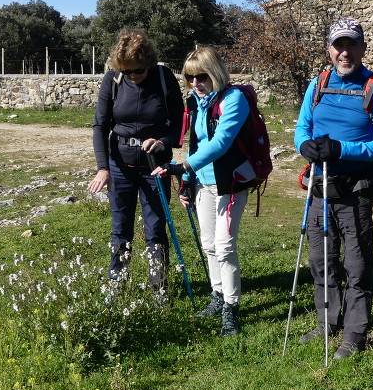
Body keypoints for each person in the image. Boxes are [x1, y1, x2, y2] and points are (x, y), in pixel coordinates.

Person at [293, 18, 373, 360]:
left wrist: (341, 149)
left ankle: (354, 333)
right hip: (320, 186)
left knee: (356, 262)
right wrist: (305, 147)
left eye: (351, 44)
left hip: (356, 189)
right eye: (338, 45)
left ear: (363, 48)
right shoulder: (318, 84)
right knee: (320, 259)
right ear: (329, 50)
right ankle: (327, 321)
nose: (344, 52)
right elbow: (302, 129)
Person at [153, 46, 251, 336]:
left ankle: (231, 309)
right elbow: (195, 143)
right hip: (203, 183)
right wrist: (187, 180)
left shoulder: (234, 100)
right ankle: (218, 295)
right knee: (209, 244)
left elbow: (221, 143)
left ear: (216, 73)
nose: (195, 83)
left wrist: (183, 167)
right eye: (189, 77)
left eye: (202, 76)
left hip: (230, 182)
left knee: (224, 245)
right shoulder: (195, 102)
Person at [88, 28, 184, 291]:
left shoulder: (163, 78)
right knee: (120, 227)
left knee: (155, 227)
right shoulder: (113, 79)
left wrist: (164, 141)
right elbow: (100, 125)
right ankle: (117, 283)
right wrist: (102, 168)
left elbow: (178, 121)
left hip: (155, 167)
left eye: (137, 71)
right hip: (120, 166)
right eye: (126, 71)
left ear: (149, 63)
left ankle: (158, 288)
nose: (132, 76)